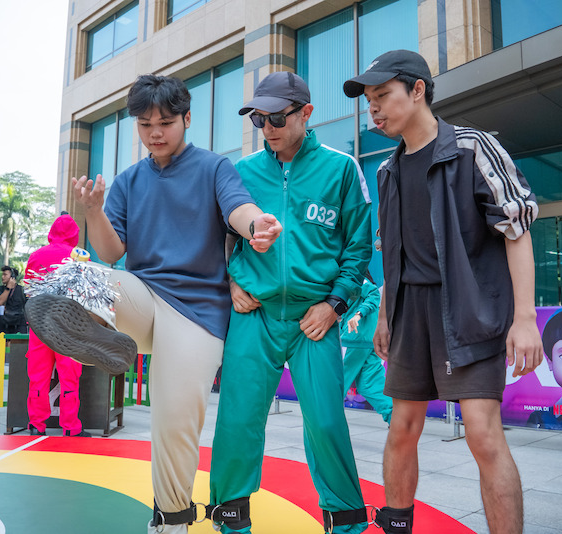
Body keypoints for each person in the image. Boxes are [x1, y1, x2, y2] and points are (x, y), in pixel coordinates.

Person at [24, 74, 282, 534]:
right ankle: (104, 337)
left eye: (165, 122)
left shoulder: (214, 167)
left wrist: (256, 225)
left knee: (172, 424)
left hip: (198, 315)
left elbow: (240, 208)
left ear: (187, 118)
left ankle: (171, 519)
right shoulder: (128, 181)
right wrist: (94, 211)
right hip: (143, 298)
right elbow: (110, 252)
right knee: (76, 274)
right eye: (145, 125)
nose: (155, 132)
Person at [343, 49, 543, 533]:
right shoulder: (387, 171)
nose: (374, 108)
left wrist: (525, 319)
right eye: (369, 100)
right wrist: (387, 315)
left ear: (417, 90)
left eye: (383, 96)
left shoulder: (473, 147)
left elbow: (516, 230)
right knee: (401, 428)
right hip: (411, 313)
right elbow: (395, 252)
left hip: (470, 308)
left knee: (482, 433)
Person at [208, 71, 372, 534]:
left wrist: (336, 305)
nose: (267, 128)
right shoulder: (240, 173)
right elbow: (213, 238)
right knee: (237, 419)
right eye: (259, 119)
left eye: (277, 117)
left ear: (306, 113)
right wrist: (228, 282)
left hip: (313, 319)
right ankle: (230, 518)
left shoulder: (342, 170)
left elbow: (358, 250)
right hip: (253, 316)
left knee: (325, 421)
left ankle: (346, 521)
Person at [24, 212, 91, 438]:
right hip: (68, 326)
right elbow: (86, 294)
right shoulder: (79, 258)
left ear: (51, 232)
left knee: (38, 376)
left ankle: (36, 425)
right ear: (74, 234)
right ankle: (70, 427)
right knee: (69, 376)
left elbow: (28, 290)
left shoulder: (35, 256)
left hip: (40, 324)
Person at [340, 276, 392, 424]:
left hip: (355, 340)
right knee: (369, 384)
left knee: (337, 383)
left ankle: (325, 424)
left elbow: (373, 295)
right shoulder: (351, 277)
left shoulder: (354, 277)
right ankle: (395, 418)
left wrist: (358, 315)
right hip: (366, 340)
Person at [0, 265, 27, 335]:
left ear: (12, 276)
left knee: (19, 344)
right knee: (4, 344)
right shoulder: (0, 289)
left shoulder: (22, 290)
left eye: (5, 275)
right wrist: (8, 288)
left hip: (19, 323)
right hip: (5, 323)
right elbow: (0, 302)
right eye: (2, 275)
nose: (2, 277)